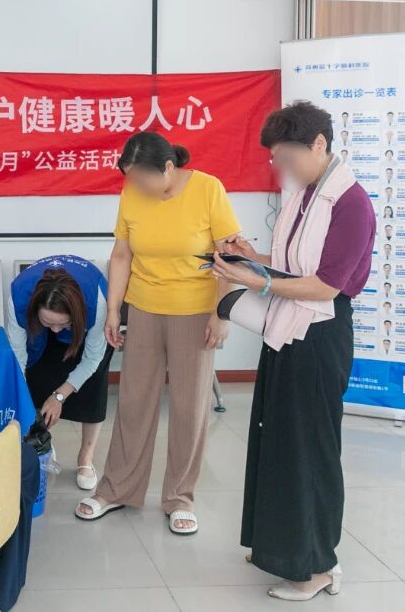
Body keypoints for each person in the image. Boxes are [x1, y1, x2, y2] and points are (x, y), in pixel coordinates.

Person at [209, 101, 374, 602]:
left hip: (319, 338)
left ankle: (316, 565)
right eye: (276, 159)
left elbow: (325, 286)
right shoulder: (304, 194)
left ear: (319, 144)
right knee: (276, 440)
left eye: (287, 157)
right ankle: (279, 548)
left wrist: (255, 282)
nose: (281, 167)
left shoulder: (350, 203)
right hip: (287, 332)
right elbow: (290, 265)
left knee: (310, 451)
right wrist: (251, 258)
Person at [76, 132, 241, 536]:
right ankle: (117, 489)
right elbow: (122, 255)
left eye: (142, 178)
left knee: (189, 407)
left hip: (195, 310)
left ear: (168, 167)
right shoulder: (132, 194)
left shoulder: (207, 189)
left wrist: (222, 314)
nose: (136, 186)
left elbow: (229, 256)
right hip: (145, 307)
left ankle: (180, 498)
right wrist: (114, 309)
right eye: (130, 178)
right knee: (134, 400)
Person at [5, 255, 112, 491]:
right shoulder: (19, 296)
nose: (55, 330)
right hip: (40, 327)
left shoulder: (97, 302)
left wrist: (59, 396)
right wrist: (21, 402)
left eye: (62, 325)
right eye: (48, 322)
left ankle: (86, 457)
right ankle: (43, 440)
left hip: (86, 330)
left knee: (92, 386)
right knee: (36, 379)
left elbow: (92, 358)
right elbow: (18, 357)